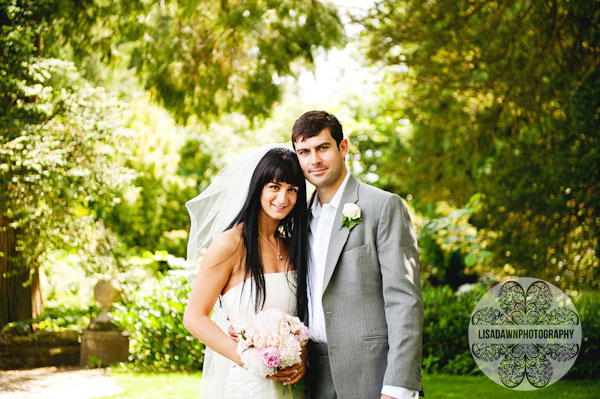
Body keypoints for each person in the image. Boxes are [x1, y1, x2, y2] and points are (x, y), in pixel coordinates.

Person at [292, 111, 424, 399]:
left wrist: (397, 387)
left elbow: (404, 301)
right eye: (304, 152)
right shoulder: (298, 220)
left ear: (343, 148)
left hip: (372, 377)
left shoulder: (383, 206)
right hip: (313, 378)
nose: (314, 160)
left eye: (322, 148)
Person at [183, 145, 309, 399]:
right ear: (258, 188)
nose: (283, 198)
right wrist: (248, 357)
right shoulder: (229, 244)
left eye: (292, 190)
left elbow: (302, 320)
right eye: (274, 187)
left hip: (294, 387)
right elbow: (194, 317)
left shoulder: (293, 246)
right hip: (250, 385)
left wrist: (301, 356)